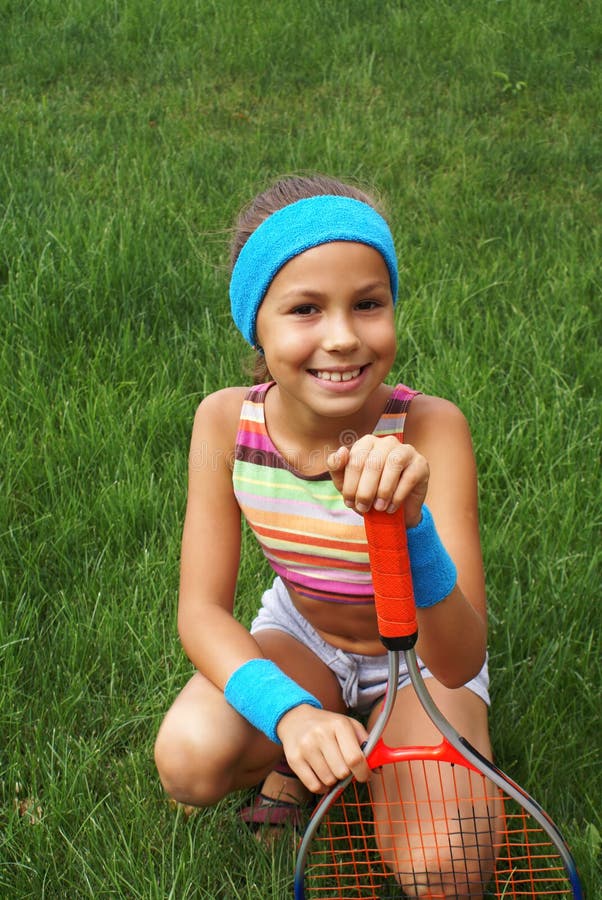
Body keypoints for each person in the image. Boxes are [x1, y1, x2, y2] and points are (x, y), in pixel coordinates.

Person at [155, 174, 493, 897]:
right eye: (305, 309)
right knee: (189, 759)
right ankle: (327, 735)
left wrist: (412, 528)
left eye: (368, 304)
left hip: (423, 664)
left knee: (448, 870)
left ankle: (387, 753)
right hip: (305, 640)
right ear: (258, 325)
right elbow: (202, 612)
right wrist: (294, 713)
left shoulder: (433, 429)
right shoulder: (224, 422)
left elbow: (461, 657)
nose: (342, 337)